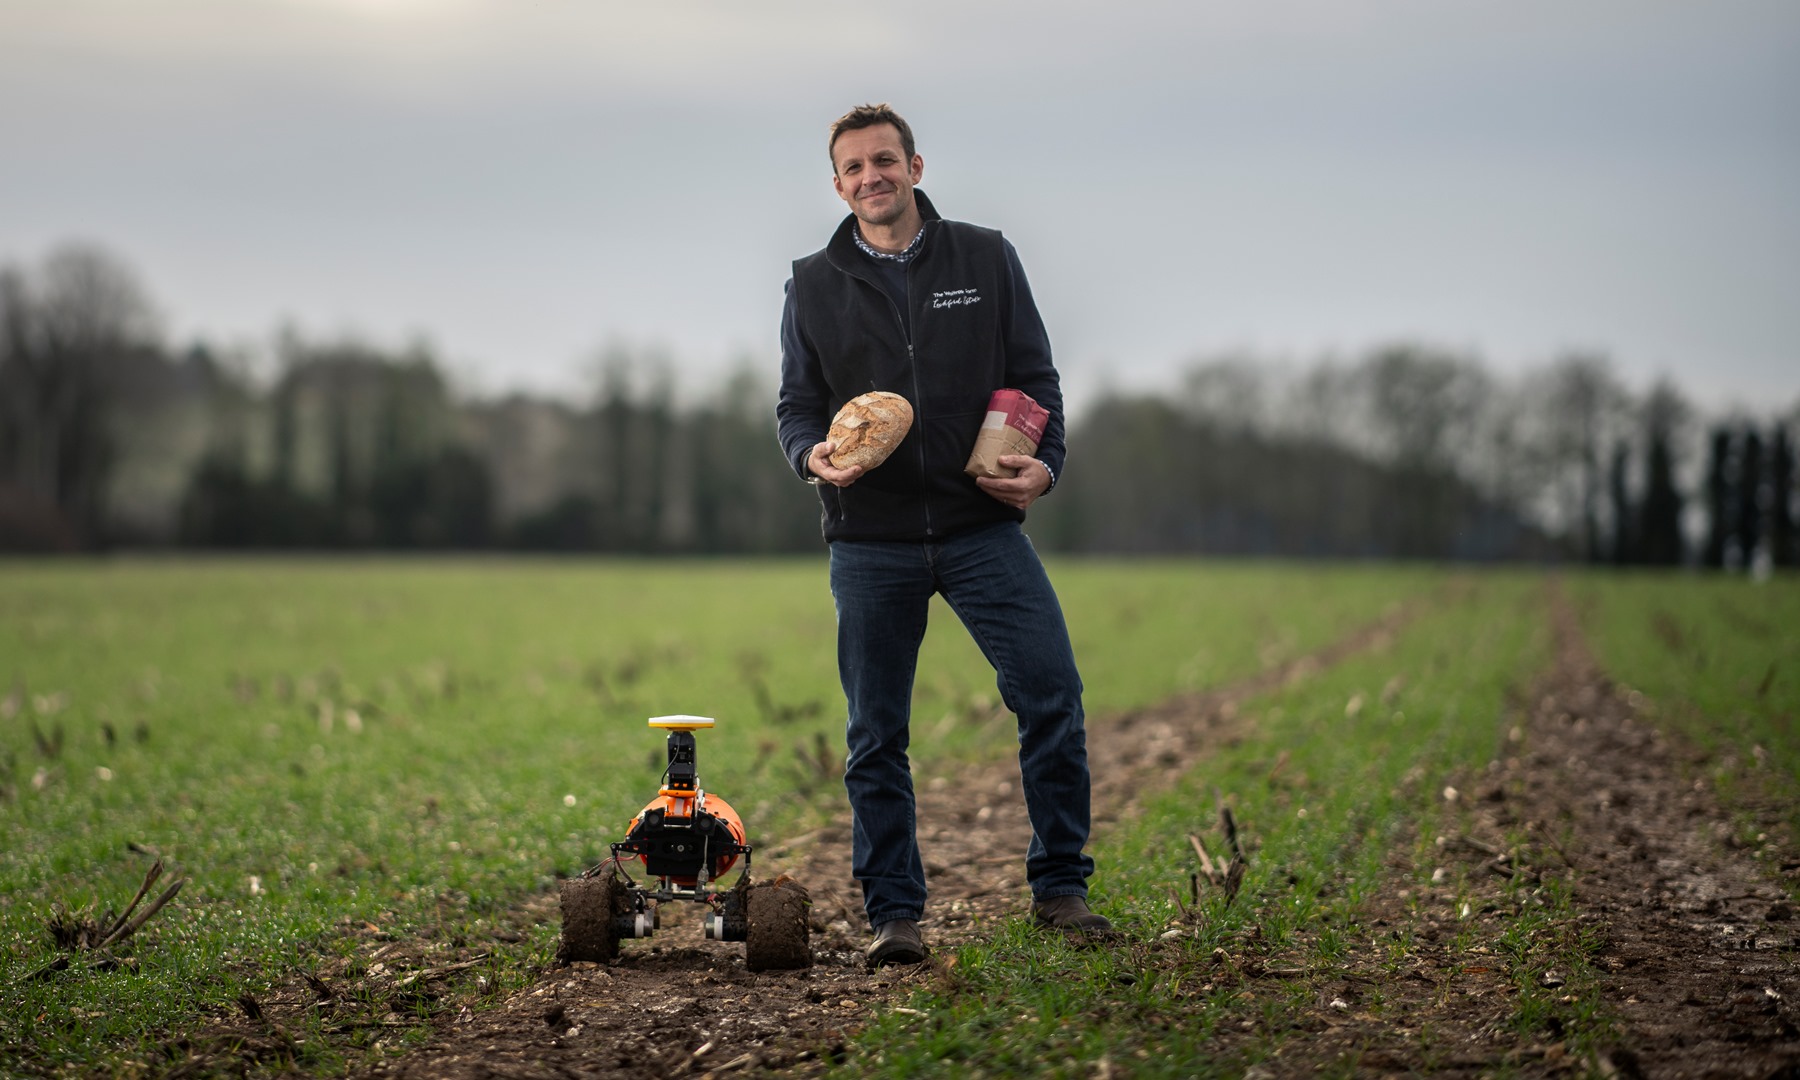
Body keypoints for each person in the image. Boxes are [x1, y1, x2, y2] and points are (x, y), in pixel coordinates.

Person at [776, 103, 1110, 968]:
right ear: (838, 183)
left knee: (1051, 694)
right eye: (853, 168)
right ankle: (894, 914)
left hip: (979, 529)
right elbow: (796, 409)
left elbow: (1035, 378)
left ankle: (1061, 888)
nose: (870, 178)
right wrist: (813, 458)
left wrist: (1049, 465)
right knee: (875, 733)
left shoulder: (986, 257)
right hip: (872, 541)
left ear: (916, 167)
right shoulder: (812, 282)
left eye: (884, 161)